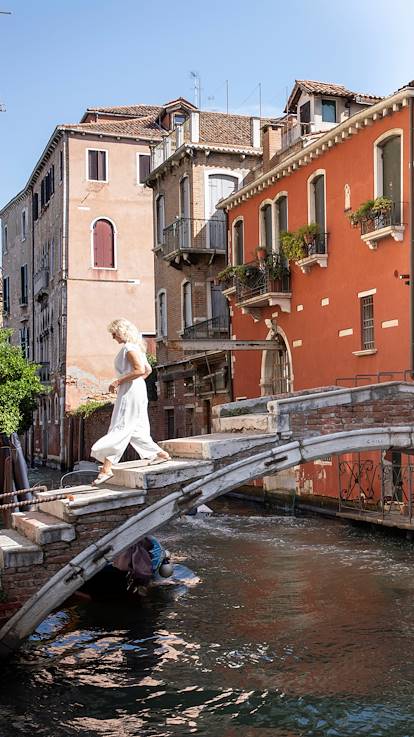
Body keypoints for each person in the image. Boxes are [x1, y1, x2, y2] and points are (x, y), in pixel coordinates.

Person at [91, 318, 170, 485]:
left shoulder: (128, 348)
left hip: (130, 391)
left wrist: (119, 381)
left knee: (121, 425)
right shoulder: (136, 348)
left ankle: (107, 468)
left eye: (114, 333)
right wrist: (134, 382)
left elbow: (139, 370)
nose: (113, 337)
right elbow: (147, 370)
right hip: (136, 389)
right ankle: (160, 454)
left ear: (121, 332)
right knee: (136, 428)